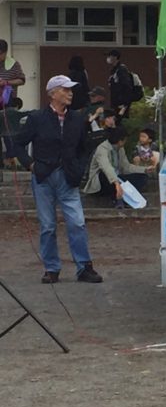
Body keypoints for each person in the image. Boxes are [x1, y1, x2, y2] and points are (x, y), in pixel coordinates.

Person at [12, 75, 103, 284]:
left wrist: (79, 168)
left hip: (68, 176)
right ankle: (51, 268)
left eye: (71, 89)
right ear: (53, 94)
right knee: (47, 225)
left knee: (77, 223)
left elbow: (84, 147)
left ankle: (84, 267)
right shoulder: (37, 118)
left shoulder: (77, 119)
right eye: (65, 89)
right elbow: (18, 143)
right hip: (43, 176)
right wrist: (30, 164)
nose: (70, 93)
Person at [83, 125, 151, 205]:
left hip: (118, 178)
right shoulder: (102, 148)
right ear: (120, 141)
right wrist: (116, 183)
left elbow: (126, 167)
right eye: (125, 140)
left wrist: (144, 169)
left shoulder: (120, 149)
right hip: (103, 183)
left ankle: (126, 197)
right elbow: (106, 167)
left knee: (142, 177)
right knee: (104, 175)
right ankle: (117, 198)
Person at [106, 49, 134, 121]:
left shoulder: (121, 70)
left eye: (109, 56)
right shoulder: (114, 70)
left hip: (121, 104)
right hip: (116, 103)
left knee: (120, 121)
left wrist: (125, 104)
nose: (108, 58)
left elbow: (127, 86)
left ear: (115, 57)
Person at [0, 39, 26, 107]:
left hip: (8, 101)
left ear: (5, 52)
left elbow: (22, 80)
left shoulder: (14, 64)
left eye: (0, 54)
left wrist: (6, 82)